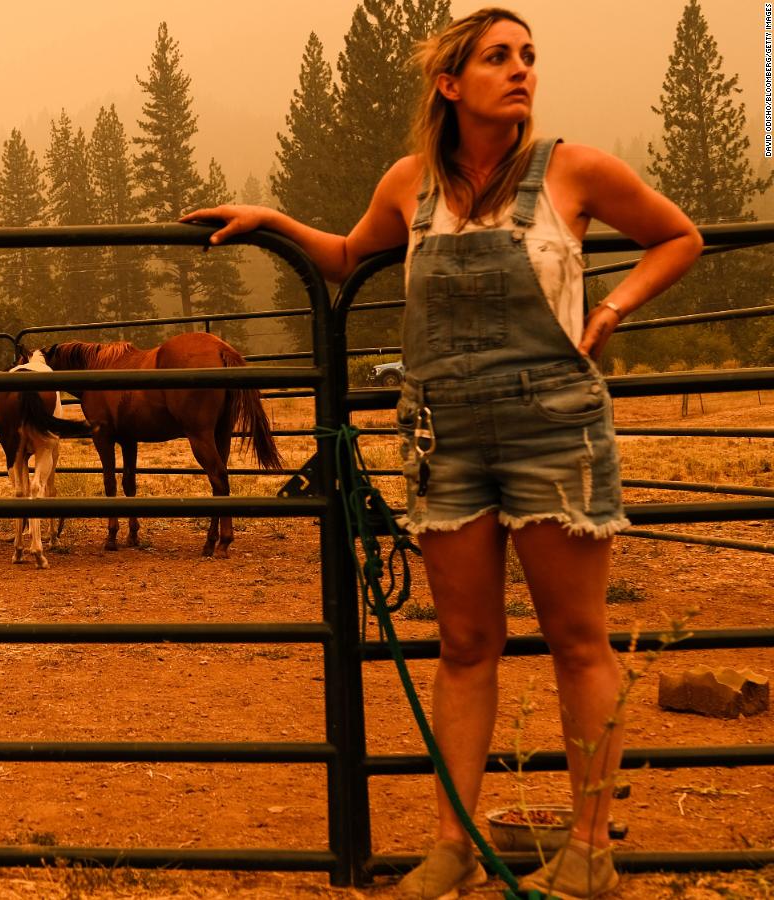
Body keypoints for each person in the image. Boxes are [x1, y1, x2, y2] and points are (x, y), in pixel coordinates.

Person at [186, 8, 700, 899]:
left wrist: (610, 310)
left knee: (578, 641)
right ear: (450, 84)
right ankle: (451, 847)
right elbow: (350, 255)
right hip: (444, 435)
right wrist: (273, 220)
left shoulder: (574, 169)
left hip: (555, 429)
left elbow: (678, 235)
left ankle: (591, 852)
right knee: (464, 643)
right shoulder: (410, 184)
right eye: (498, 57)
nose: (522, 70)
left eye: (529, 57)